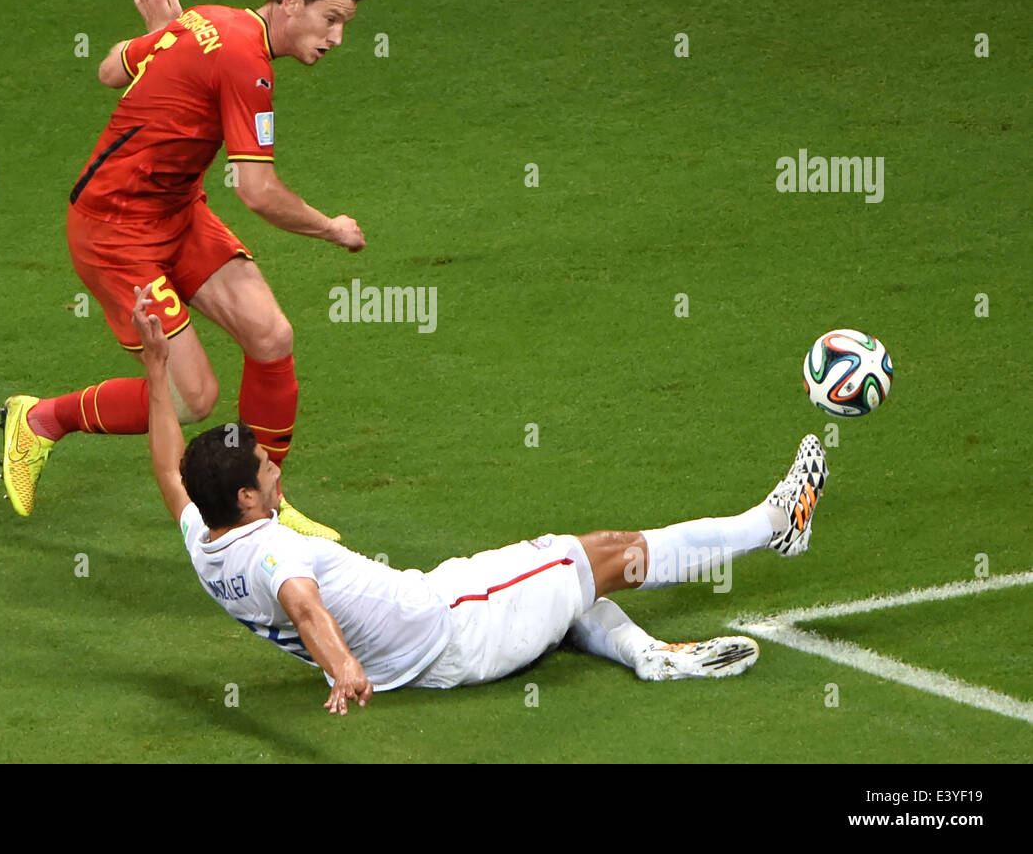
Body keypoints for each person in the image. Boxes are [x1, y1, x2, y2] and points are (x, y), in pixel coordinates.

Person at [130, 287, 830, 715]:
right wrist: (342, 670)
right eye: (265, 468)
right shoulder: (274, 548)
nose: (278, 467)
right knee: (604, 554)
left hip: (436, 612)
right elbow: (303, 604)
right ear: (248, 498)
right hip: (457, 627)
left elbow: (168, 468)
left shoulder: (206, 535)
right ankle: (774, 524)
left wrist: (157, 368)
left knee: (565, 587)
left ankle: (649, 655)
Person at [0, 0, 369, 540]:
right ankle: (41, 418)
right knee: (192, 396)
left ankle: (267, 509)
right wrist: (331, 228)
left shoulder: (204, 19)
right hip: (115, 231)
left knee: (272, 336)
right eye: (331, 18)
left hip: (177, 212)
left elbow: (112, 69)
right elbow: (256, 190)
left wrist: (161, 44)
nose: (339, 37)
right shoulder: (248, 61)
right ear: (292, 1)